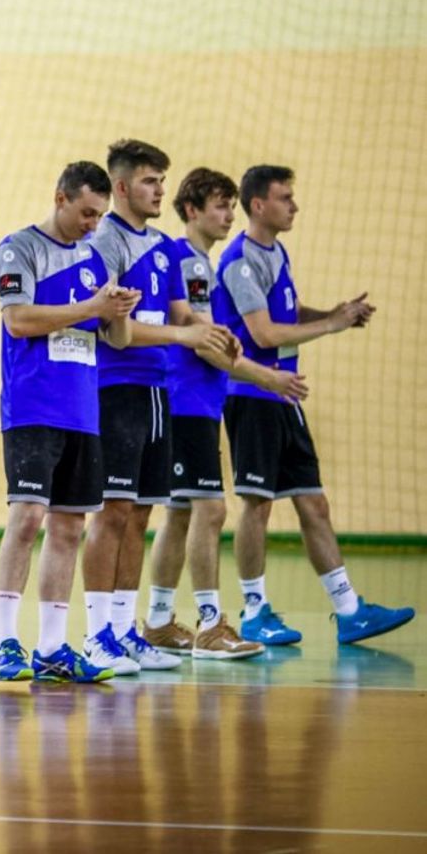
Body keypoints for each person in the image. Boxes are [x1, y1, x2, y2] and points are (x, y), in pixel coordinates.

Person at [214, 164, 414, 646]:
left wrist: (332, 313)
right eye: (285, 198)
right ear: (259, 204)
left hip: (284, 395)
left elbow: (285, 312)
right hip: (253, 395)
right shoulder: (240, 260)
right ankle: (254, 611)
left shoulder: (275, 252)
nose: (294, 206)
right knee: (257, 505)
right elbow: (263, 333)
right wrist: (331, 326)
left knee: (313, 502)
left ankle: (349, 611)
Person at [80, 139, 237, 674]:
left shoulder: (166, 248)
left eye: (162, 181)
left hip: (157, 390)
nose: (159, 190)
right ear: (122, 186)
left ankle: (126, 629)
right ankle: (96, 634)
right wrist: (183, 334)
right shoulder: (105, 241)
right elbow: (114, 329)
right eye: (150, 181)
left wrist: (211, 332)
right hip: (114, 388)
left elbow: (180, 313)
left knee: (140, 513)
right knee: (111, 512)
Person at [0, 161, 138, 684]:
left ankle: (51, 647)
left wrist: (118, 311)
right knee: (27, 518)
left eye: (100, 215)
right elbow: (17, 320)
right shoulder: (19, 249)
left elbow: (118, 340)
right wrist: (90, 305)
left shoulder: (98, 258)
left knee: (70, 526)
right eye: (87, 213)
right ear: (60, 198)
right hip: (33, 407)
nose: (93, 224)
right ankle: (4, 642)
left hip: (82, 410)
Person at [143, 167, 303, 659]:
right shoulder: (188, 262)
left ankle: (158, 621)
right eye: (219, 206)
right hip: (186, 401)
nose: (229, 215)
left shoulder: (200, 264)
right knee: (210, 509)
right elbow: (207, 344)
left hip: (196, 401)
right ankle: (210, 623)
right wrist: (267, 377)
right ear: (192, 210)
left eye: (232, 206)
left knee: (179, 512)